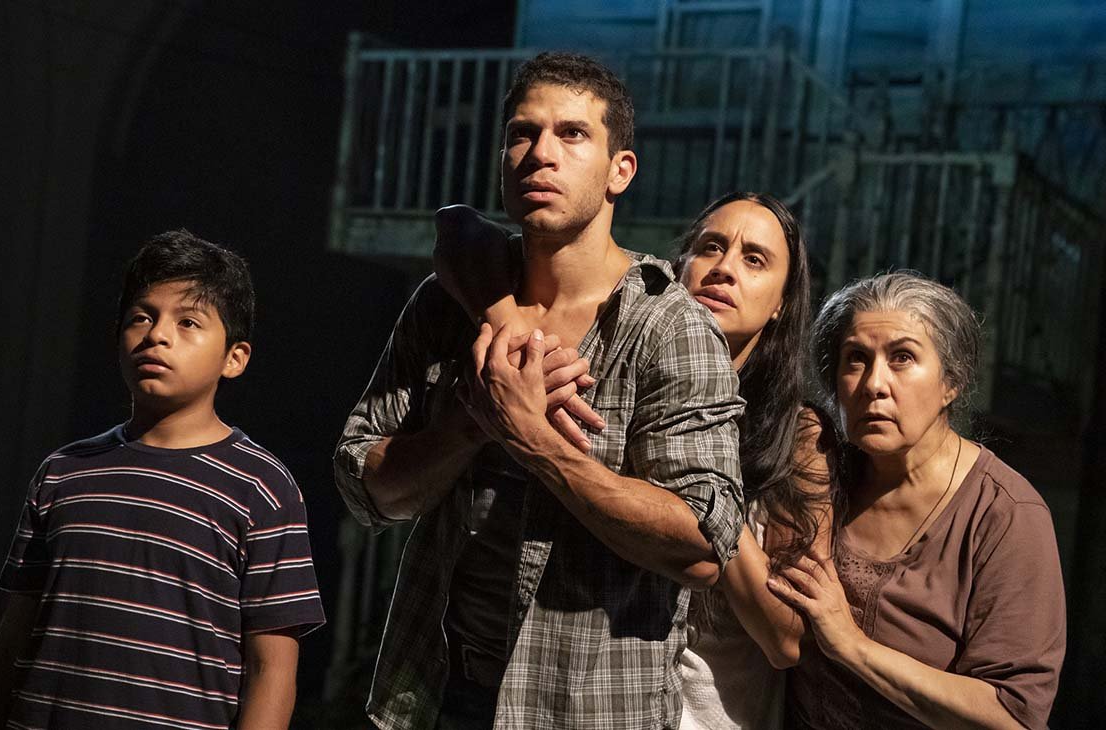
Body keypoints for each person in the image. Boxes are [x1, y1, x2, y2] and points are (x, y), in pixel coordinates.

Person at [333, 52, 744, 729]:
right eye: (522, 134)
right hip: (435, 696)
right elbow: (363, 487)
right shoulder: (448, 307)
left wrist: (537, 442)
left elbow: (702, 545)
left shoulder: (670, 326)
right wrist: (472, 421)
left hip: (585, 712)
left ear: (621, 170)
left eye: (572, 134)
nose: (539, 154)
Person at [434, 192, 836, 730]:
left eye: (754, 259)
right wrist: (511, 326)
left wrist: (706, 485)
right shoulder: (624, 358)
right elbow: (460, 229)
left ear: (783, 301)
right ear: (678, 265)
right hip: (591, 701)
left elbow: (787, 638)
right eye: (710, 247)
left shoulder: (797, 433)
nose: (724, 269)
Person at [0, 231, 326, 730]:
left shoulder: (262, 487)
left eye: (188, 322)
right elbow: (9, 641)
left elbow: (272, 669)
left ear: (234, 357)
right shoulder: (64, 471)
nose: (157, 334)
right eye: (142, 316)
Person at [767, 271, 1066, 729]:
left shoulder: (1004, 515)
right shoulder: (820, 475)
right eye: (856, 359)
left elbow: (1013, 716)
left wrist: (852, 645)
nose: (874, 384)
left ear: (952, 382)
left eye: (902, 357)